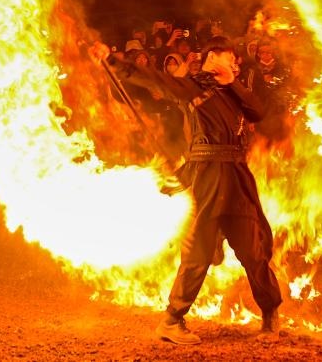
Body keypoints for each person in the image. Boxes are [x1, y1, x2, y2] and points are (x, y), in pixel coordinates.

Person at [91, 36, 282, 345]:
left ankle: (270, 314)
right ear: (212, 57)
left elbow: (258, 112)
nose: (235, 63)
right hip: (208, 177)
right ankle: (172, 320)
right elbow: (153, 78)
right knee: (198, 253)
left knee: (254, 251)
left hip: (236, 178)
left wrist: (233, 81)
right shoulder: (191, 88)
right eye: (229, 58)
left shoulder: (232, 91)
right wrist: (113, 60)